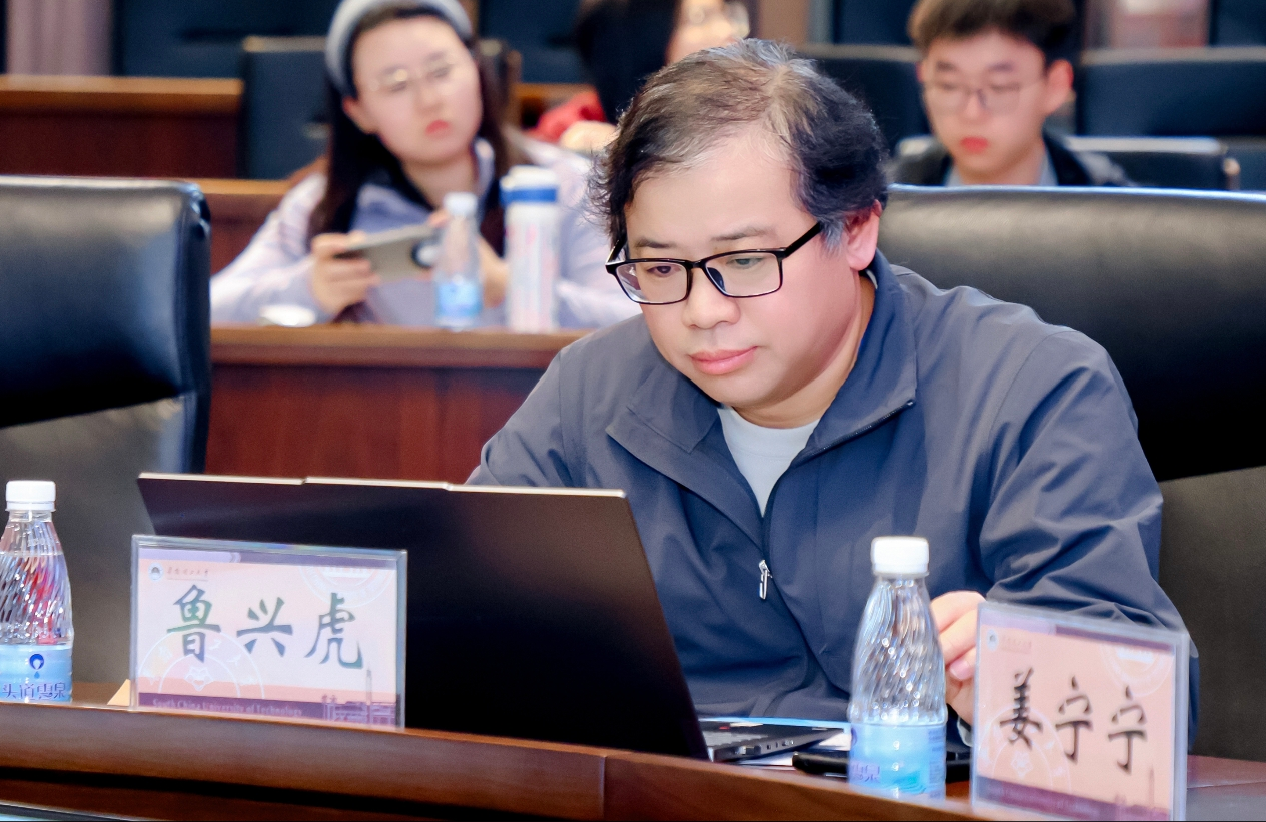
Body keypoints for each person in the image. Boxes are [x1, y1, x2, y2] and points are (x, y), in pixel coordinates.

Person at [470, 40, 1195, 733]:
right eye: (660, 268)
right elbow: (457, 615)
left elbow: (1142, 710)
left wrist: (1019, 670)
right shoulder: (589, 393)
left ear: (854, 230)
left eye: (744, 261)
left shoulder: (1034, 390)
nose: (701, 312)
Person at [211, 0, 638, 328]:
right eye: (396, 84)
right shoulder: (321, 206)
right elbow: (206, 311)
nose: (429, 100)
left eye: (441, 70)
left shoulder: (563, 184)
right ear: (358, 111)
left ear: (476, 71)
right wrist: (307, 288)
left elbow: (636, 322)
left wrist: (511, 288)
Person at [891, 0, 1129, 187]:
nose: (972, 114)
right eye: (948, 85)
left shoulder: (1110, 203)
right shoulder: (884, 201)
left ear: (1055, 86)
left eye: (999, 87)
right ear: (923, 77)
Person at [531, 0, 748, 154]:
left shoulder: (746, 113)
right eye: (700, 18)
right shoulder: (570, 127)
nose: (727, 30)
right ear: (643, 40)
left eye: (725, 12)